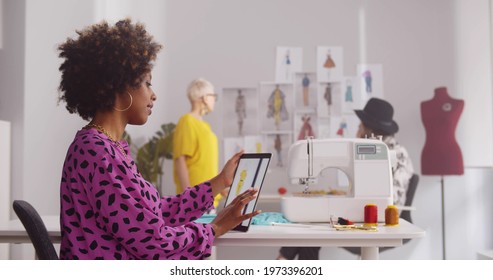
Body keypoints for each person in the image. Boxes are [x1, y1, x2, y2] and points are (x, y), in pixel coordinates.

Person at [57, 19, 260, 260]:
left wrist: (220, 181)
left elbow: (157, 212)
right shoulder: (95, 150)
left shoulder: (109, 148)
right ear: (120, 85)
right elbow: (152, 242)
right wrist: (214, 228)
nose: (153, 95)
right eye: (147, 83)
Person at [277, 97, 414, 260]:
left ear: (365, 129)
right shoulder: (386, 149)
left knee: (312, 226)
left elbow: (386, 202)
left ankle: (283, 260)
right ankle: (287, 261)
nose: (357, 131)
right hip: (373, 213)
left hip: (382, 220)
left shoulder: (385, 151)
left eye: (359, 127)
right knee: (311, 226)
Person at [173, 78, 225, 209]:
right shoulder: (187, 121)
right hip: (195, 202)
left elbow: (208, 164)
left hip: (210, 200)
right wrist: (188, 198)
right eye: (213, 96)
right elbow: (180, 160)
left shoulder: (205, 126)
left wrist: (224, 189)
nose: (214, 100)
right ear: (205, 97)